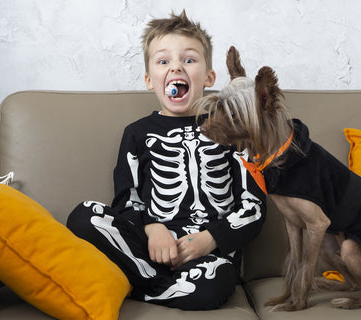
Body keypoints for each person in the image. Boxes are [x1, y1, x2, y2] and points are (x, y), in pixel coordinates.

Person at [66, 10, 266, 310]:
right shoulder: (136, 134)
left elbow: (253, 206)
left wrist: (211, 238)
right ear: (150, 80)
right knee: (84, 215)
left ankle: (138, 284)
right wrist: (151, 228)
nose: (176, 67)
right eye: (163, 61)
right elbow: (126, 198)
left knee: (216, 280)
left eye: (189, 59)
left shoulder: (234, 130)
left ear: (209, 77)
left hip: (208, 258)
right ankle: (159, 282)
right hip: (149, 248)